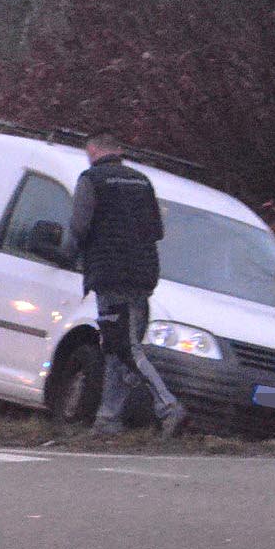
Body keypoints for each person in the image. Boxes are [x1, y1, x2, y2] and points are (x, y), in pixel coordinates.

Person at [70, 134, 186, 437]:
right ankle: (108, 419)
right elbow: (156, 231)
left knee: (123, 346)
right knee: (116, 346)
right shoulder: (142, 182)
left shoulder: (91, 179)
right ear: (119, 151)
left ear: (93, 151)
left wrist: (72, 254)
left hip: (110, 274)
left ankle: (168, 406)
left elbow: (80, 227)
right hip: (143, 275)